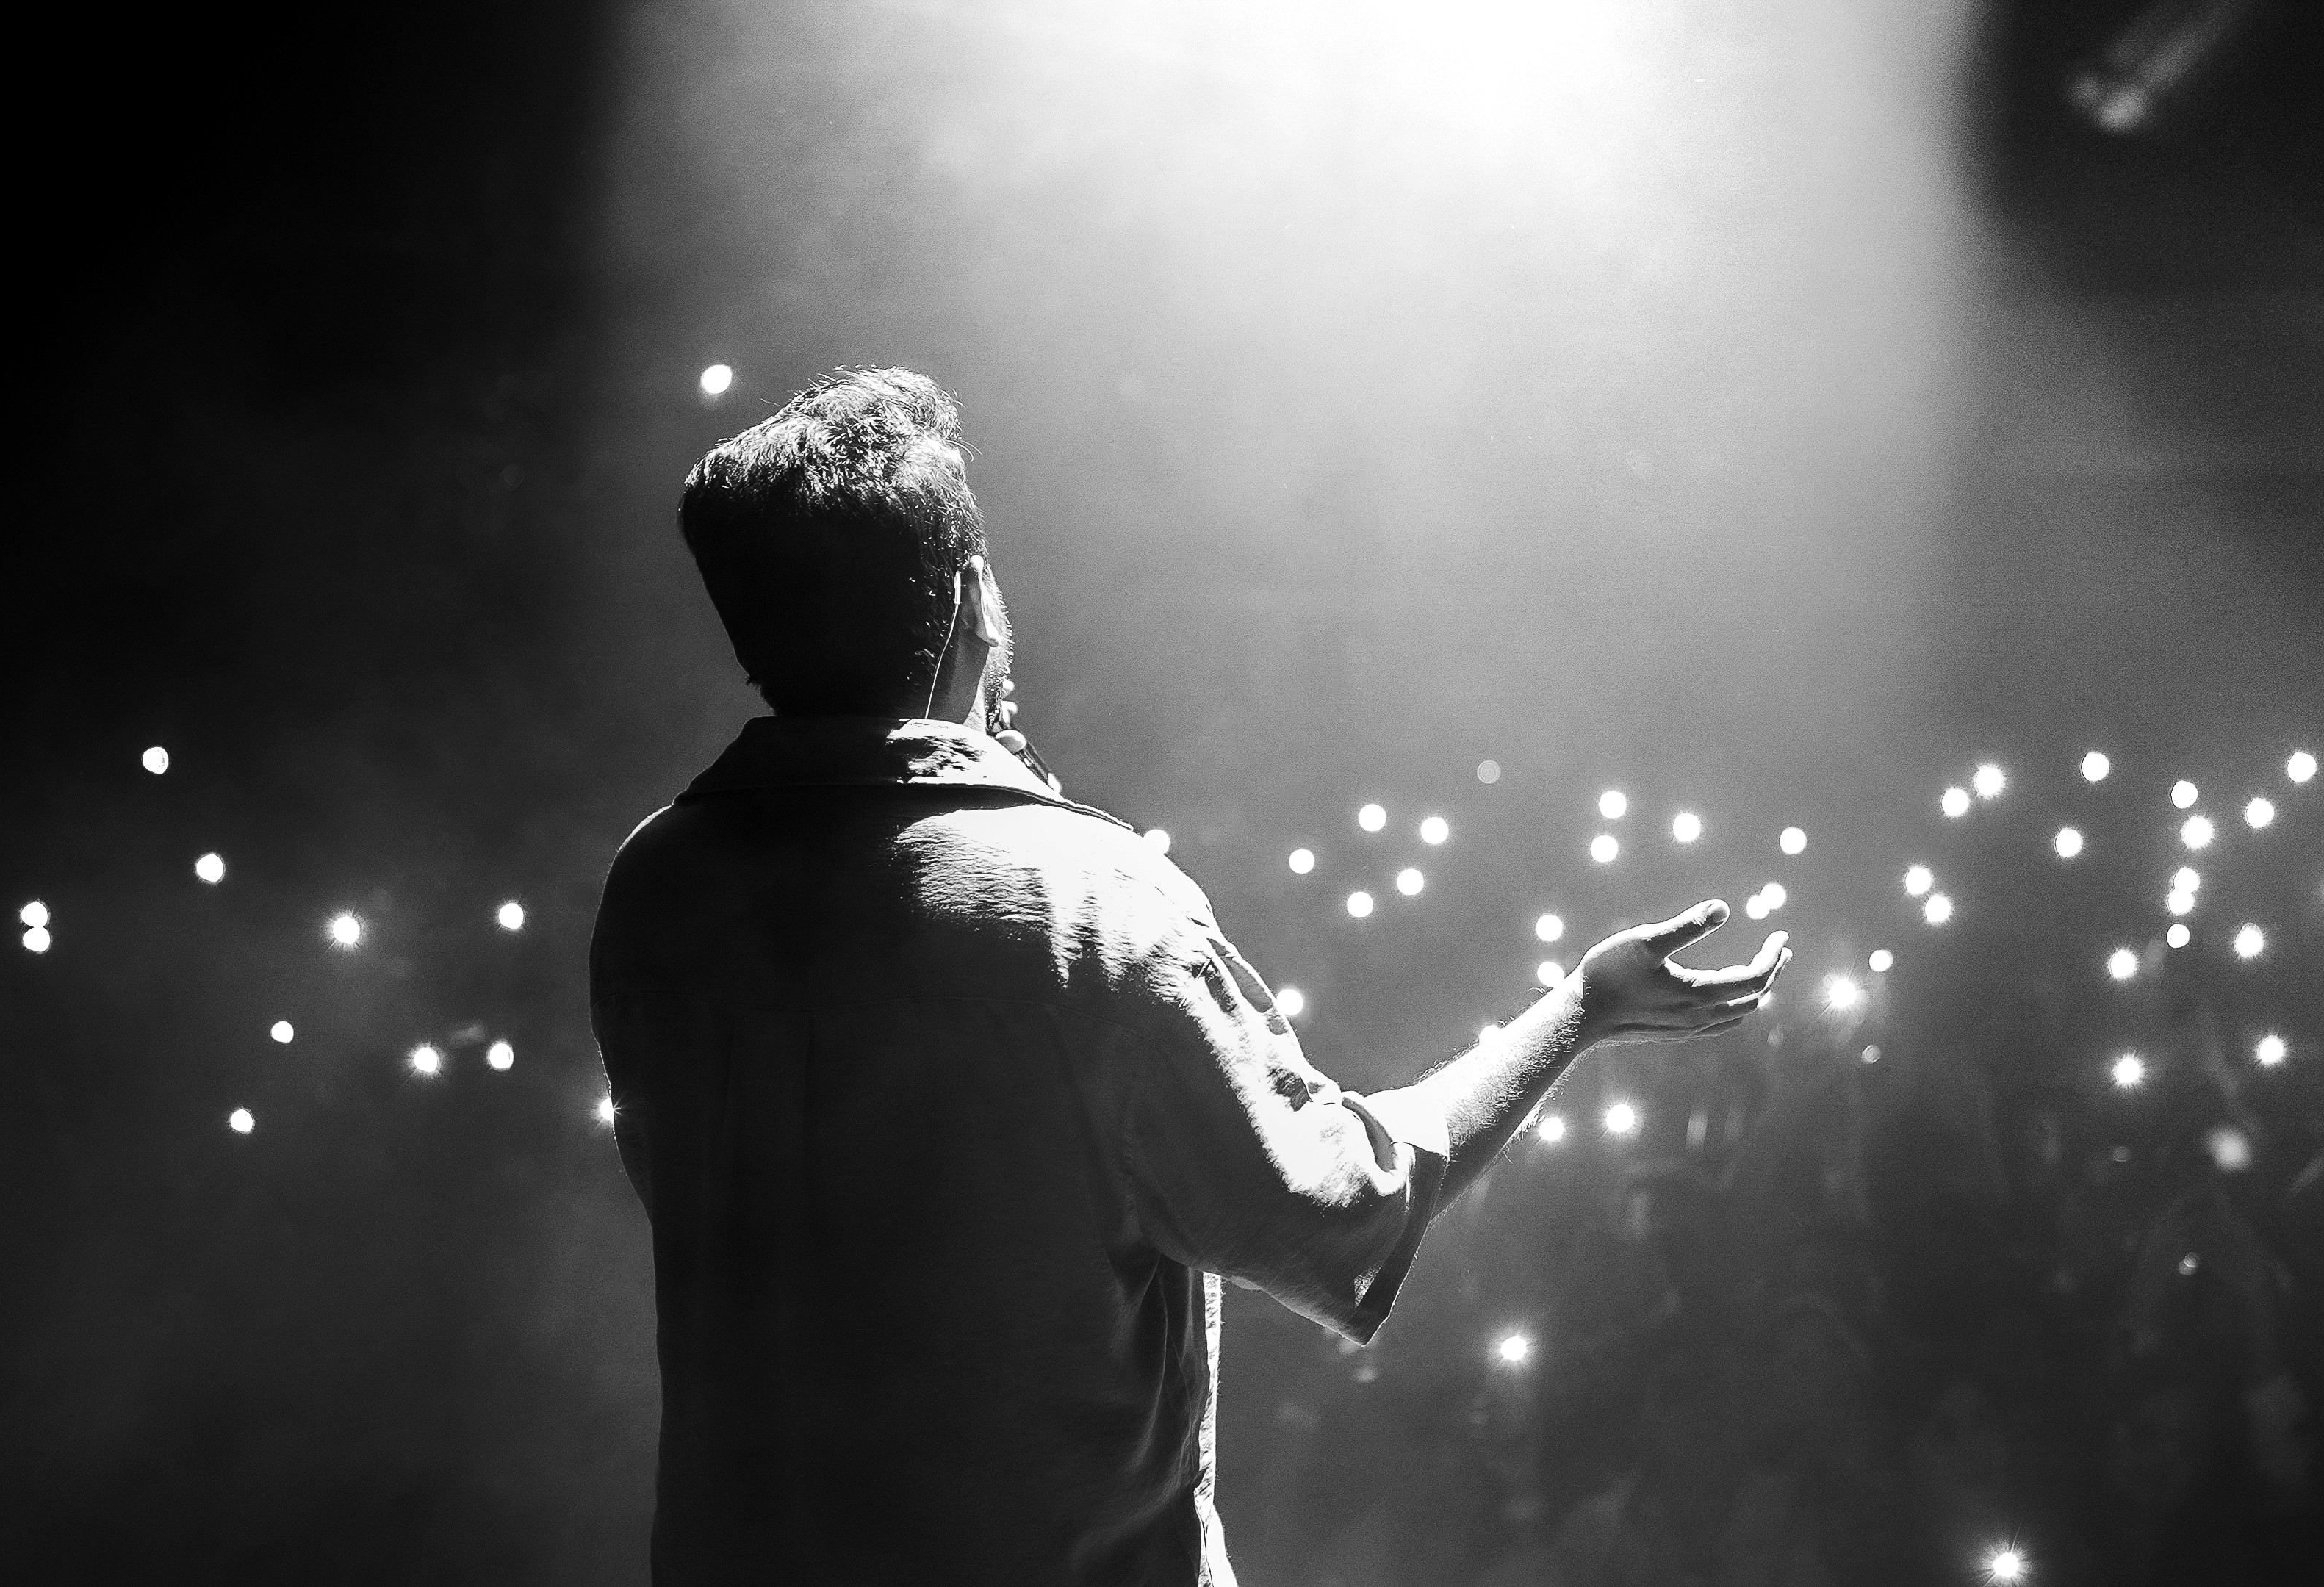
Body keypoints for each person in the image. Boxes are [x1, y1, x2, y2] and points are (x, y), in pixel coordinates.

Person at [590, 367, 1794, 1586]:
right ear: (969, 599)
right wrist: (1579, 1009)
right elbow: (1344, 1210)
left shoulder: (658, 885)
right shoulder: (1085, 906)